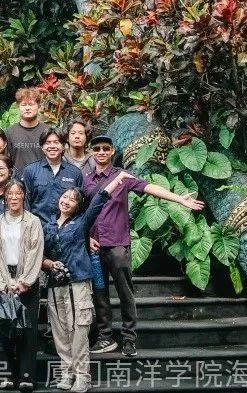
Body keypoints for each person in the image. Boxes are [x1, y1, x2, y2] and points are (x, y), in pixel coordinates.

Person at [85, 135, 204, 356]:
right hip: (94, 246)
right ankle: (104, 337)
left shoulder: (122, 176)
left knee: (125, 292)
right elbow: (83, 211)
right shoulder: (86, 180)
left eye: (106, 148)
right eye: (97, 148)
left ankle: (129, 338)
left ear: (112, 151)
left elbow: (149, 187)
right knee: (99, 293)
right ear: (91, 152)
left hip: (117, 244)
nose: (101, 152)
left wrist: (180, 199)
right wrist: (86, 237)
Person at [42, 170, 129, 393]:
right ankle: (66, 372)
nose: (66, 201)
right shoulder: (48, 225)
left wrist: (118, 179)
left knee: (79, 329)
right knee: (59, 330)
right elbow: (40, 255)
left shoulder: (81, 223)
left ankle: (83, 376)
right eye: (65, 197)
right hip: (55, 284)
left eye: (72, 199)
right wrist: (49, 264)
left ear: (78, 206)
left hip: (78, 282)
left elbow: (99, 200)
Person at [0, 180, 44, 392]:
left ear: (23, 196)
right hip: (3, 280)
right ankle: (2, 376)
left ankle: (26, 376)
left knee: (27, 330)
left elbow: (35, 252)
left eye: (18, 193)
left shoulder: (33, 221)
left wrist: (24, 281)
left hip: (27, 281)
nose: (14, 197)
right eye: (10, 193)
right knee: (1, 329)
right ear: (5, 197)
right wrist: (2, 282)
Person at [21, 127, 82, 226]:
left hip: (65, 230)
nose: (52, 146)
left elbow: (80, 205)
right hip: (37, 228)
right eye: (48, 143)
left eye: (56, 142)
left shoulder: (75, 173)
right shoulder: (30, 171)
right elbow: (25, 202)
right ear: (42, 147)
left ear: (63, 146)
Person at [5, 88, 47, 173]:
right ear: (18, 107)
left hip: (43, 178)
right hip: (17, 179)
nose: (27, 108)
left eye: (31, 104)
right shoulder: (10, 132)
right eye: (24, 104)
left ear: (39, 106)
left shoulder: (47, 131)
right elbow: (6, 161)